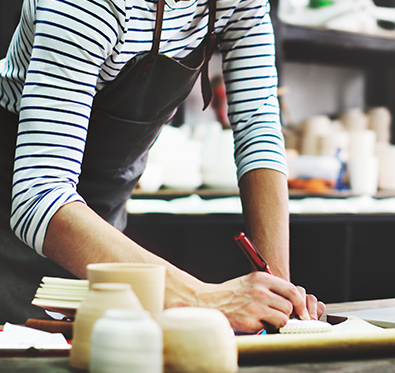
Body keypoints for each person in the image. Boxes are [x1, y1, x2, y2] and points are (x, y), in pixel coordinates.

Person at [0, 0, 325, 332]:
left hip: (102, 230)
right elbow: (38, 196)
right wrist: (204, 300)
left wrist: (279, 297)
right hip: (11, 222)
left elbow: (258, 128)